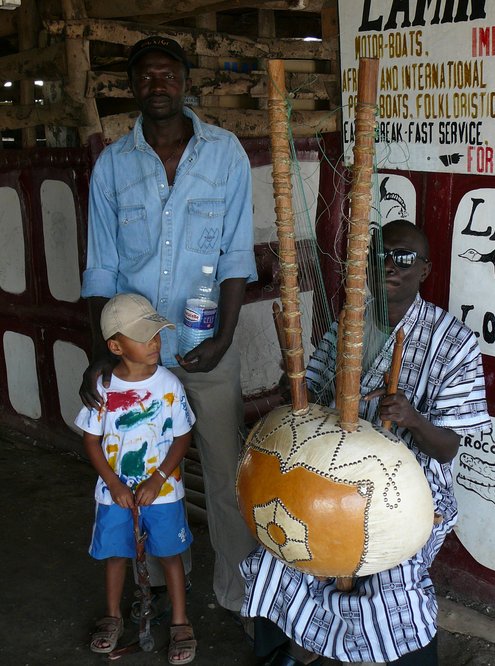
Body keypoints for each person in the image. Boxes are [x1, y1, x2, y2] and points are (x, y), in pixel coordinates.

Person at [240, 220, 491, 665]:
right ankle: (292, 649)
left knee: (390, 574)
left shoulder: (455, 342)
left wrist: (412, 419)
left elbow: (448, 448)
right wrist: (292, 381)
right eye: (380, 256)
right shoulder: (350, 322)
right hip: (332, 469)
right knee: (284, 540)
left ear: (425, 269)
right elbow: (314, 393)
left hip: (410, 486)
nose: (390, 265)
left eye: (403, 257)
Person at [79, 35, 257, 618]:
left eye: (168, 74)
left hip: (206, 348)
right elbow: (101, 268)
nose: (157, 85)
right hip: (136, 357)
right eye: (146, 76)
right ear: (132, 86)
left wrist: (223, 340)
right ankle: (153, 583)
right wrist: (102, 353)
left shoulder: (225, 153)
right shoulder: (113, 164)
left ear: (185, 83)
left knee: (227, 476)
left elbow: (236, 257)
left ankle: (240, 596)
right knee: (138, 468)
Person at [75, 293, 197, 663]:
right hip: (115, 495)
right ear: (115, 346)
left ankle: (180, 622)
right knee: (116, 555)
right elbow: (91, 440)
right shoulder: (103, 389)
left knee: (171, 556)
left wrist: (158, 478)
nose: (155, 343)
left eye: (156, 334)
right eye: (143, 338)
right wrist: (114, 484)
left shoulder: (169, 385)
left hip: (163, 493)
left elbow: (182, 436)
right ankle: (112, 616)